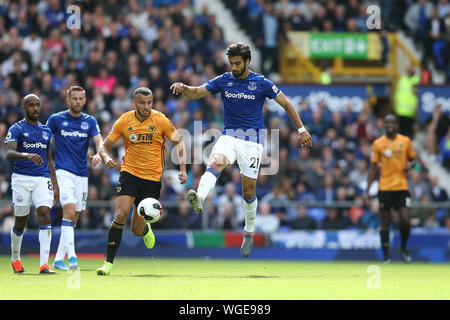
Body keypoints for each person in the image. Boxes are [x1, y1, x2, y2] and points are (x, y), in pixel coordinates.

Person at [170, 42, 312, 258]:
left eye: (237, 63)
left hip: (253, 141)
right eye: (231, 63)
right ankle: (199, 198)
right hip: (229, 136)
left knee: (248, 191)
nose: (234, 67)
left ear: (247, 62)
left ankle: (249, 231)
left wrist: (301, 129)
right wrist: (184, 88)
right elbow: (197, 92)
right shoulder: (224, 80)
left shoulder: (261, 83)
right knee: (215, 161)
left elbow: (287, 104)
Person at [96, 87, 188, 275]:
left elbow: (179, 141)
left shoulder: (160, 120)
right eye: (142, 103)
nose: (146, 106)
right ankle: (108, 264)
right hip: (129, 174)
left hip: (152, 180)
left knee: (136, 230)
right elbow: (103, 146)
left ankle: (145, 230)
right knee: (120, 214)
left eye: (149, 103)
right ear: (134, 103)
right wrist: (105, 158)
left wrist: (183, 169)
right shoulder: (124, 121)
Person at [46, 86, 106, 271]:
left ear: (85, 101)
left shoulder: (90, 121)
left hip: (82, 174)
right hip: (63, 171)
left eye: (81, 99)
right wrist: (48, 168)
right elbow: (44, 141)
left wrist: (99, 154)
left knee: (74, 218)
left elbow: (99, 141)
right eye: (75, 99)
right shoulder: (56, 119)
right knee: (69, 212)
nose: (78, 101)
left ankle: (57, 260)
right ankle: (72, 259)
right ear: (68, 101)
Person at [5, 94, 59, 274]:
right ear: (24, 107)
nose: (35, 108)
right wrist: (26, 155)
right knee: (21, 221)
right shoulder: (16, 128)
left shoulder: (46, 131)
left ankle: (44, 264)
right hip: (21, 178)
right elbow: (9, 153)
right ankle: (16, 259)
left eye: (38, 105)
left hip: (42, 178)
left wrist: (55, 183)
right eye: (31, 105)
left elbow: (49, 160)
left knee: (45, 213)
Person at [365, 114, 416, 263]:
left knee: (406, 219)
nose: (389, 124)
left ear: (397, 125)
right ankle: (386, 255)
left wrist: (410, 166)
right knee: (385, 220)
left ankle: (403, 248)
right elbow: (373, 168)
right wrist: (367, 190)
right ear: (384, 125)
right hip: (385, 187)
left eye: (392, 122)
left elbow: (413, 160)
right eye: (387, 122)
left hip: (401, 186)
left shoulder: (405, 141)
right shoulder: (378, 143)